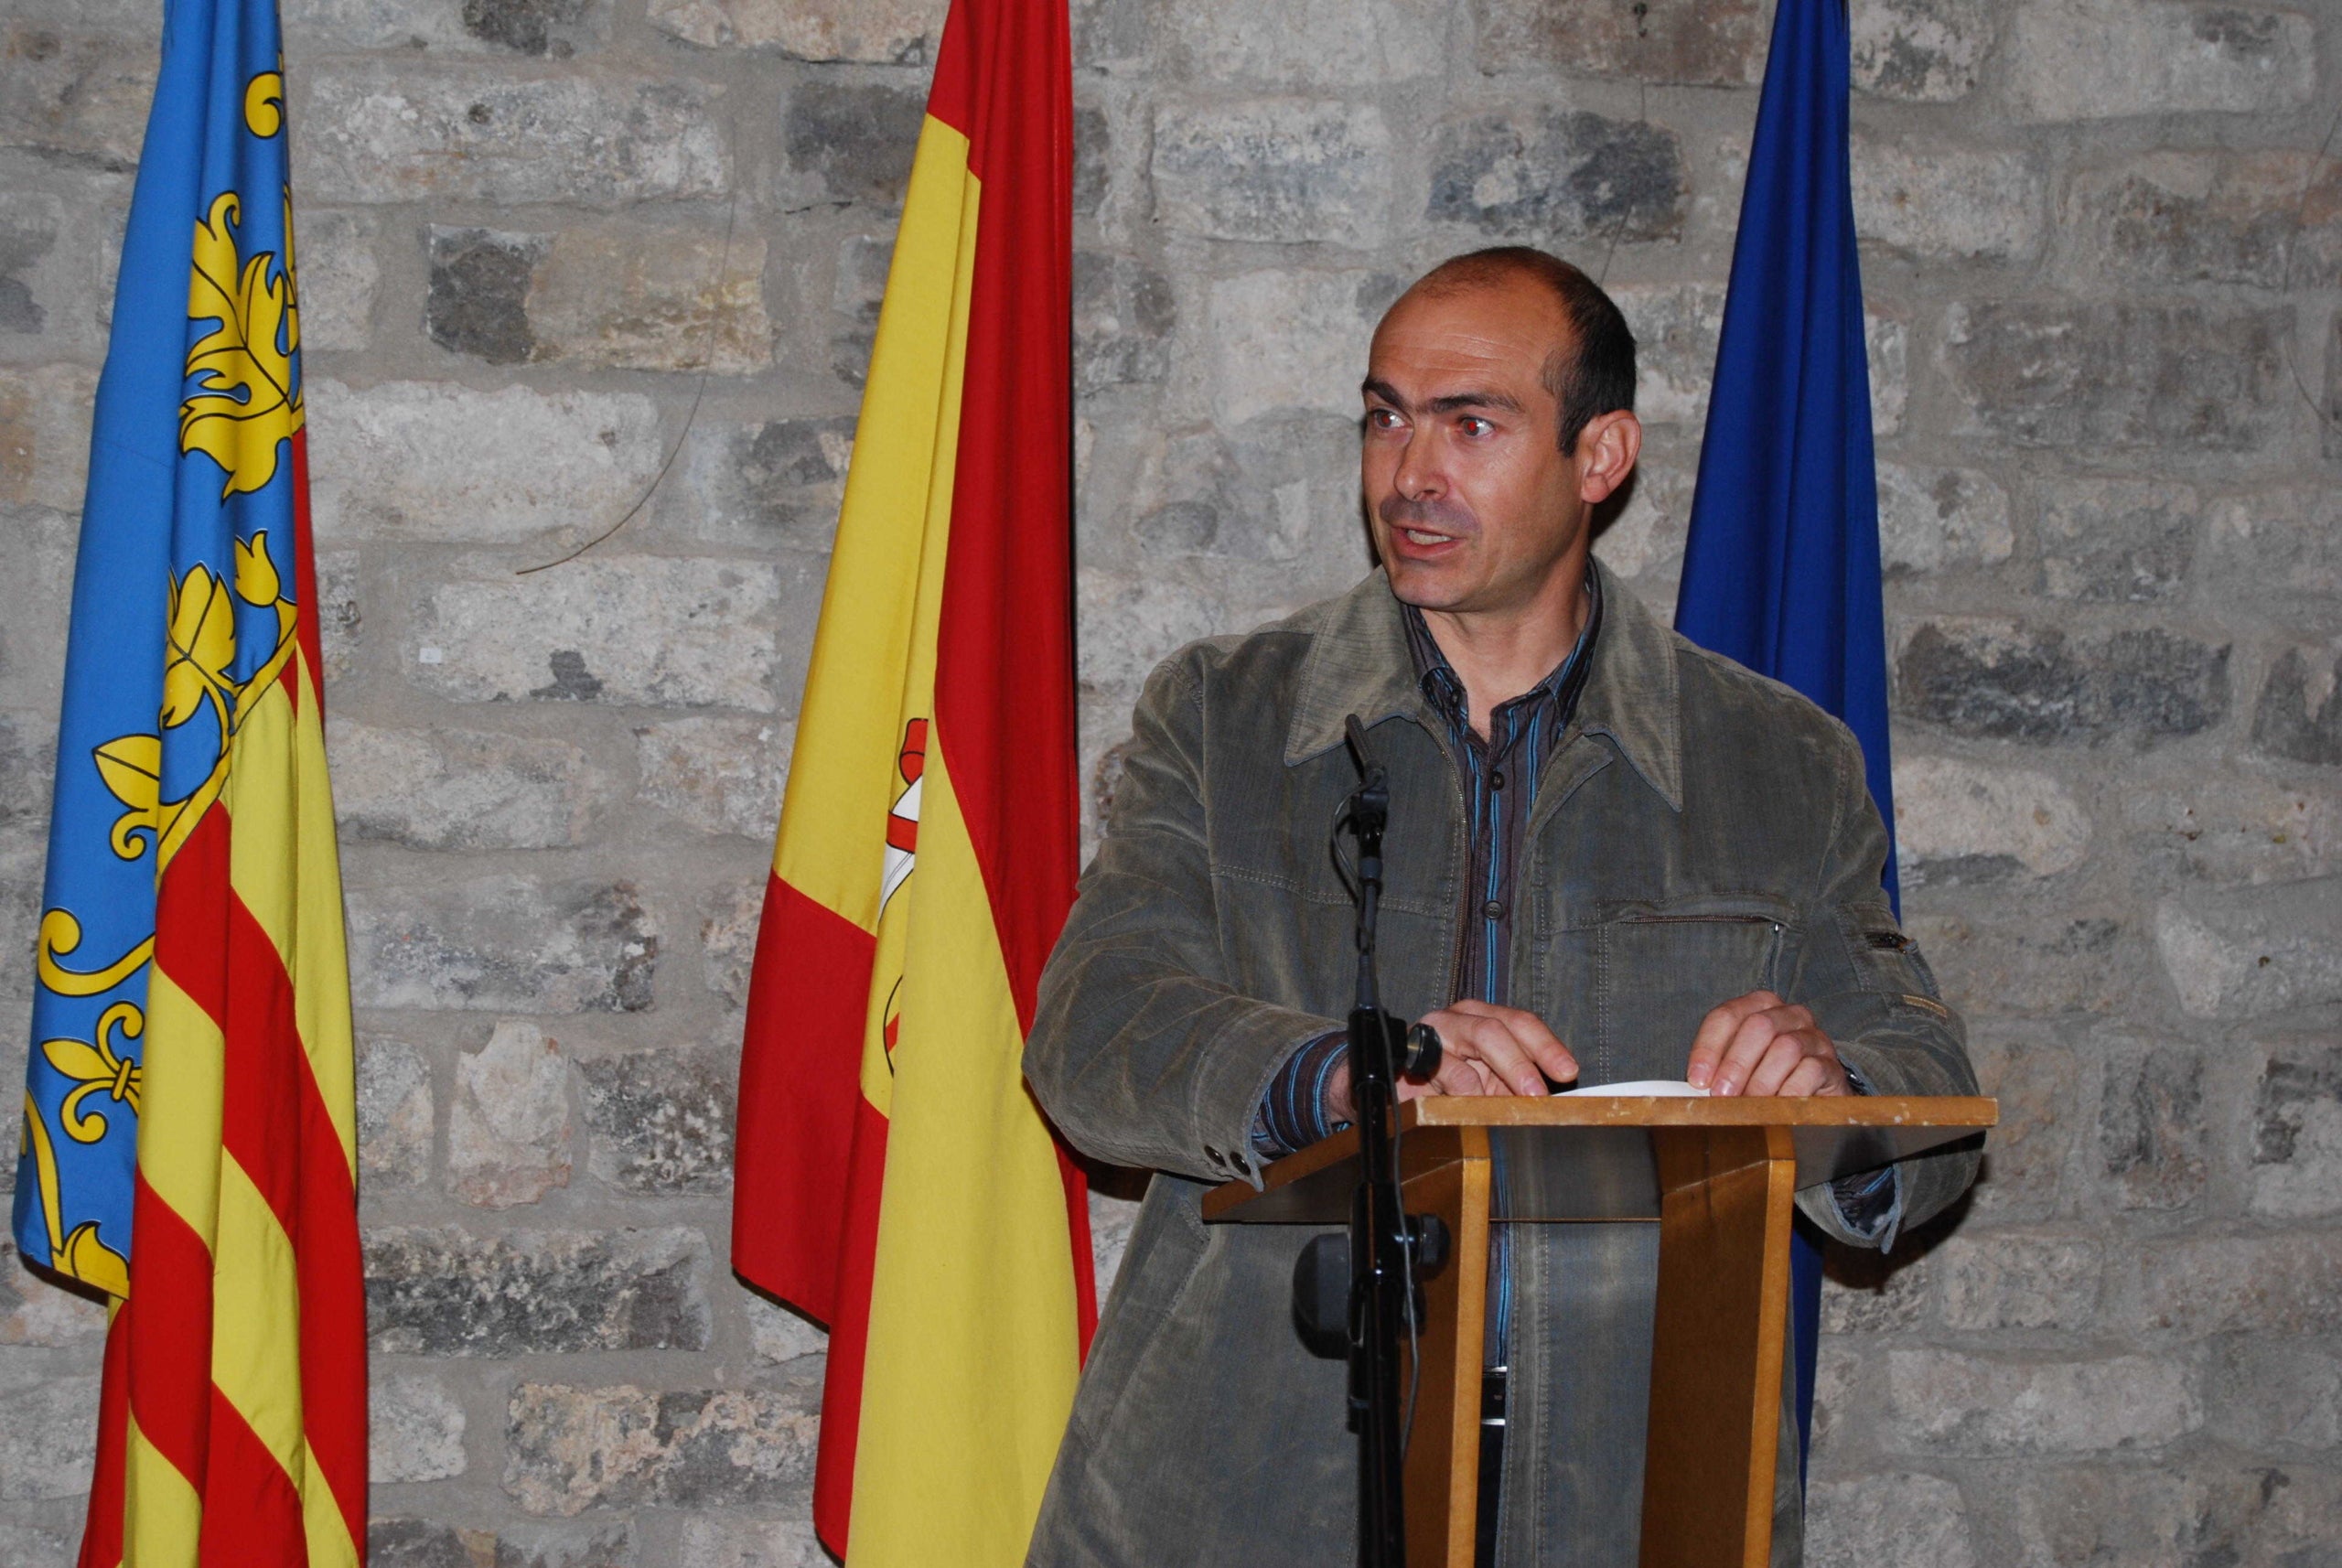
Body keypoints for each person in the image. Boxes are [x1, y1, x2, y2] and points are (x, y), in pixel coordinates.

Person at [1022, 246, 1979, 1567]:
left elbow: (1931, 1094)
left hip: (1626, 1501)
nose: (1409, 473)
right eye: (1385, 417)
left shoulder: (1778, 761)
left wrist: (1837, 1089)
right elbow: (1093, 1029)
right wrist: (1349, 1078)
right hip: (1242, 1493)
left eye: (1470, 424)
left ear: (1602, 456)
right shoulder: (1225, 715)